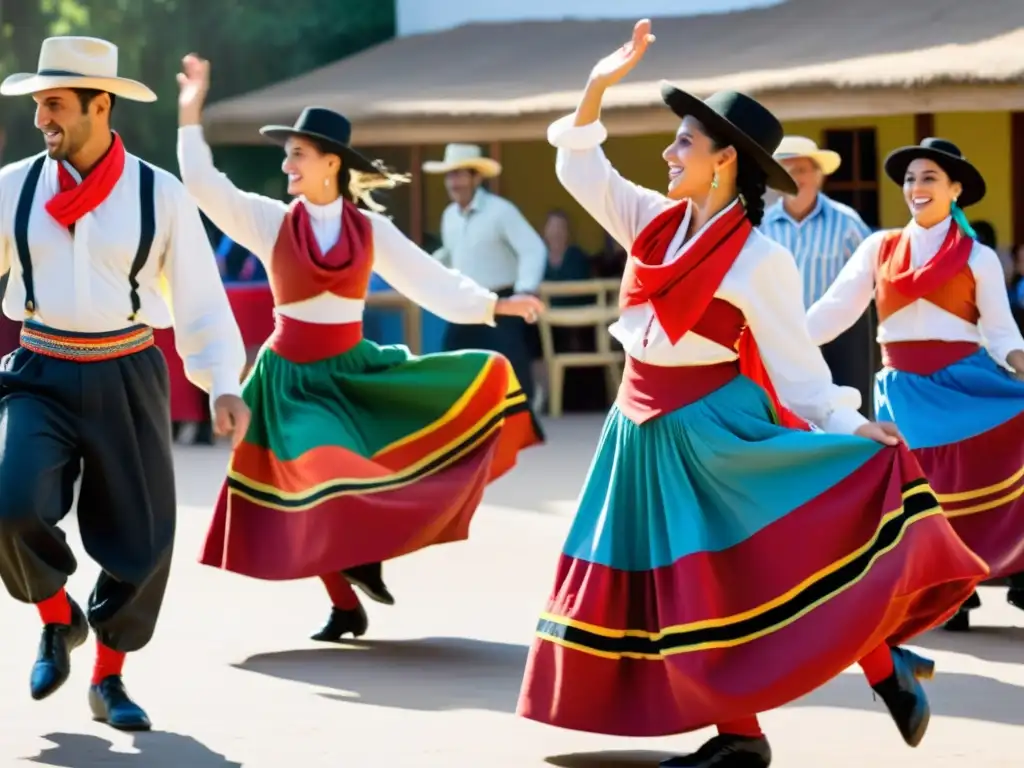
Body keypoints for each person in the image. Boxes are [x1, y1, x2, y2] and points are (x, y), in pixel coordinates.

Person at [516, 21, 987, 768]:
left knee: (723, 577)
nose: (669, 155)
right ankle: (872, 672)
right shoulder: (652, 222)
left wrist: (850, 424)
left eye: (684, 144)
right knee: (669, 580)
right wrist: (599, 84)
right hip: (636, 427)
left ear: (725, 160)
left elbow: (797, 363)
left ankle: (746, 734)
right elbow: (580, 169)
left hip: (703, 428)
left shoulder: (759, 259)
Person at [175, 55, 544, 642]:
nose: (286, 162)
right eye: (287, 152)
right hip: (289, 378)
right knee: (316, 472)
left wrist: (492, 306)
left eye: (297, 153)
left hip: (351, 371)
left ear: (330, 164)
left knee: (480, 378)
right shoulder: (270, 222)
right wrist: (190, 111)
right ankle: (347, 591)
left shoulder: (370, 230)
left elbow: (428, 279)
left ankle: (353, 579)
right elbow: (203, 185)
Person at [0, 37, 248, 731]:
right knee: (9, 504)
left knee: (141, 539)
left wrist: (222, 383)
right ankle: (58, 620)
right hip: (38, 369)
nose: (40, 116)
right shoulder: (12, 187)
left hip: (127, 370)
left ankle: (109, 682)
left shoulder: (158, 194)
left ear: (99, 105)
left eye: (53, 104)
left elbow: (200, 297)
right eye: (37, 103)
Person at [807, 137, 1024, 632]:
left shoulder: (978, 257)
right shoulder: (878, 248)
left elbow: (1000, 334)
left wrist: (1021, 365)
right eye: (910, 179)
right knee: (924, 489)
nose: (916, 187)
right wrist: (780, 347)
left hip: (969, 387)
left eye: (929, 178)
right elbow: (831, 313)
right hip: (904, 391)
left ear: (955, 190)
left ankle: (1016, 571)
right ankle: (948, 590)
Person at [424, 144, 547, 408]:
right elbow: (453, 252)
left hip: (503, 302)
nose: (453, 182)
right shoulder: (449, 216)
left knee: (512, 373)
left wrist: (525, 290)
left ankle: (522, 424)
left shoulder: (501, 211)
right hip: (465, 302)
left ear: (476, 177)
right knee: (453, 366)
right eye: (449, 175)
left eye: (459, 175)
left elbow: (532, 248)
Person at [761, 136, 875, 414]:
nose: (794, 178)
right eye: (786, 171)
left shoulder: (848, 223)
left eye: (801, 170)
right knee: (787, 415)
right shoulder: (760, 226)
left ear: (818, 177)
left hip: (840, 342)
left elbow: (873, 278)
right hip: (780, 338)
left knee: (847, 414)